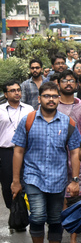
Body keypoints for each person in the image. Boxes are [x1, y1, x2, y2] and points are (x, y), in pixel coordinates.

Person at [11, 82, 81, 243]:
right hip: (33, 178)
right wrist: (15, 180)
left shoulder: (68, 123)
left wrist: (75, 180)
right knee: (38, 216)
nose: (51, 99)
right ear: (39, 98)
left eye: (54, 96)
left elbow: (75, 153)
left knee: (55, 219)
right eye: (47, 96)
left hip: (58, 179)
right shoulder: (29, 121)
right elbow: (18, 151)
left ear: (59, 98)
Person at [55, 70, 81, 243]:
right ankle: (56, 234)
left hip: (77, 158)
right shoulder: (52, 105)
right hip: (56, 159)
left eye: (72, 80)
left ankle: (73, 240)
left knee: (75, 198)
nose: (68, 83)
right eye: (65, 80)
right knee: (59, 197)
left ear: (76, 84)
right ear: (58, 83)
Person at [0, 81, 34, 219]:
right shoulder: (0, 110)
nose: (16, 92)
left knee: (28, 181)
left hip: (27, 151)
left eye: (18, 90)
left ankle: (32, 213)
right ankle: (14, 212)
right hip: (6, 151)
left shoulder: (29, 109)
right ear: (6, 94)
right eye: (12, 90)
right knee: (8, 183)